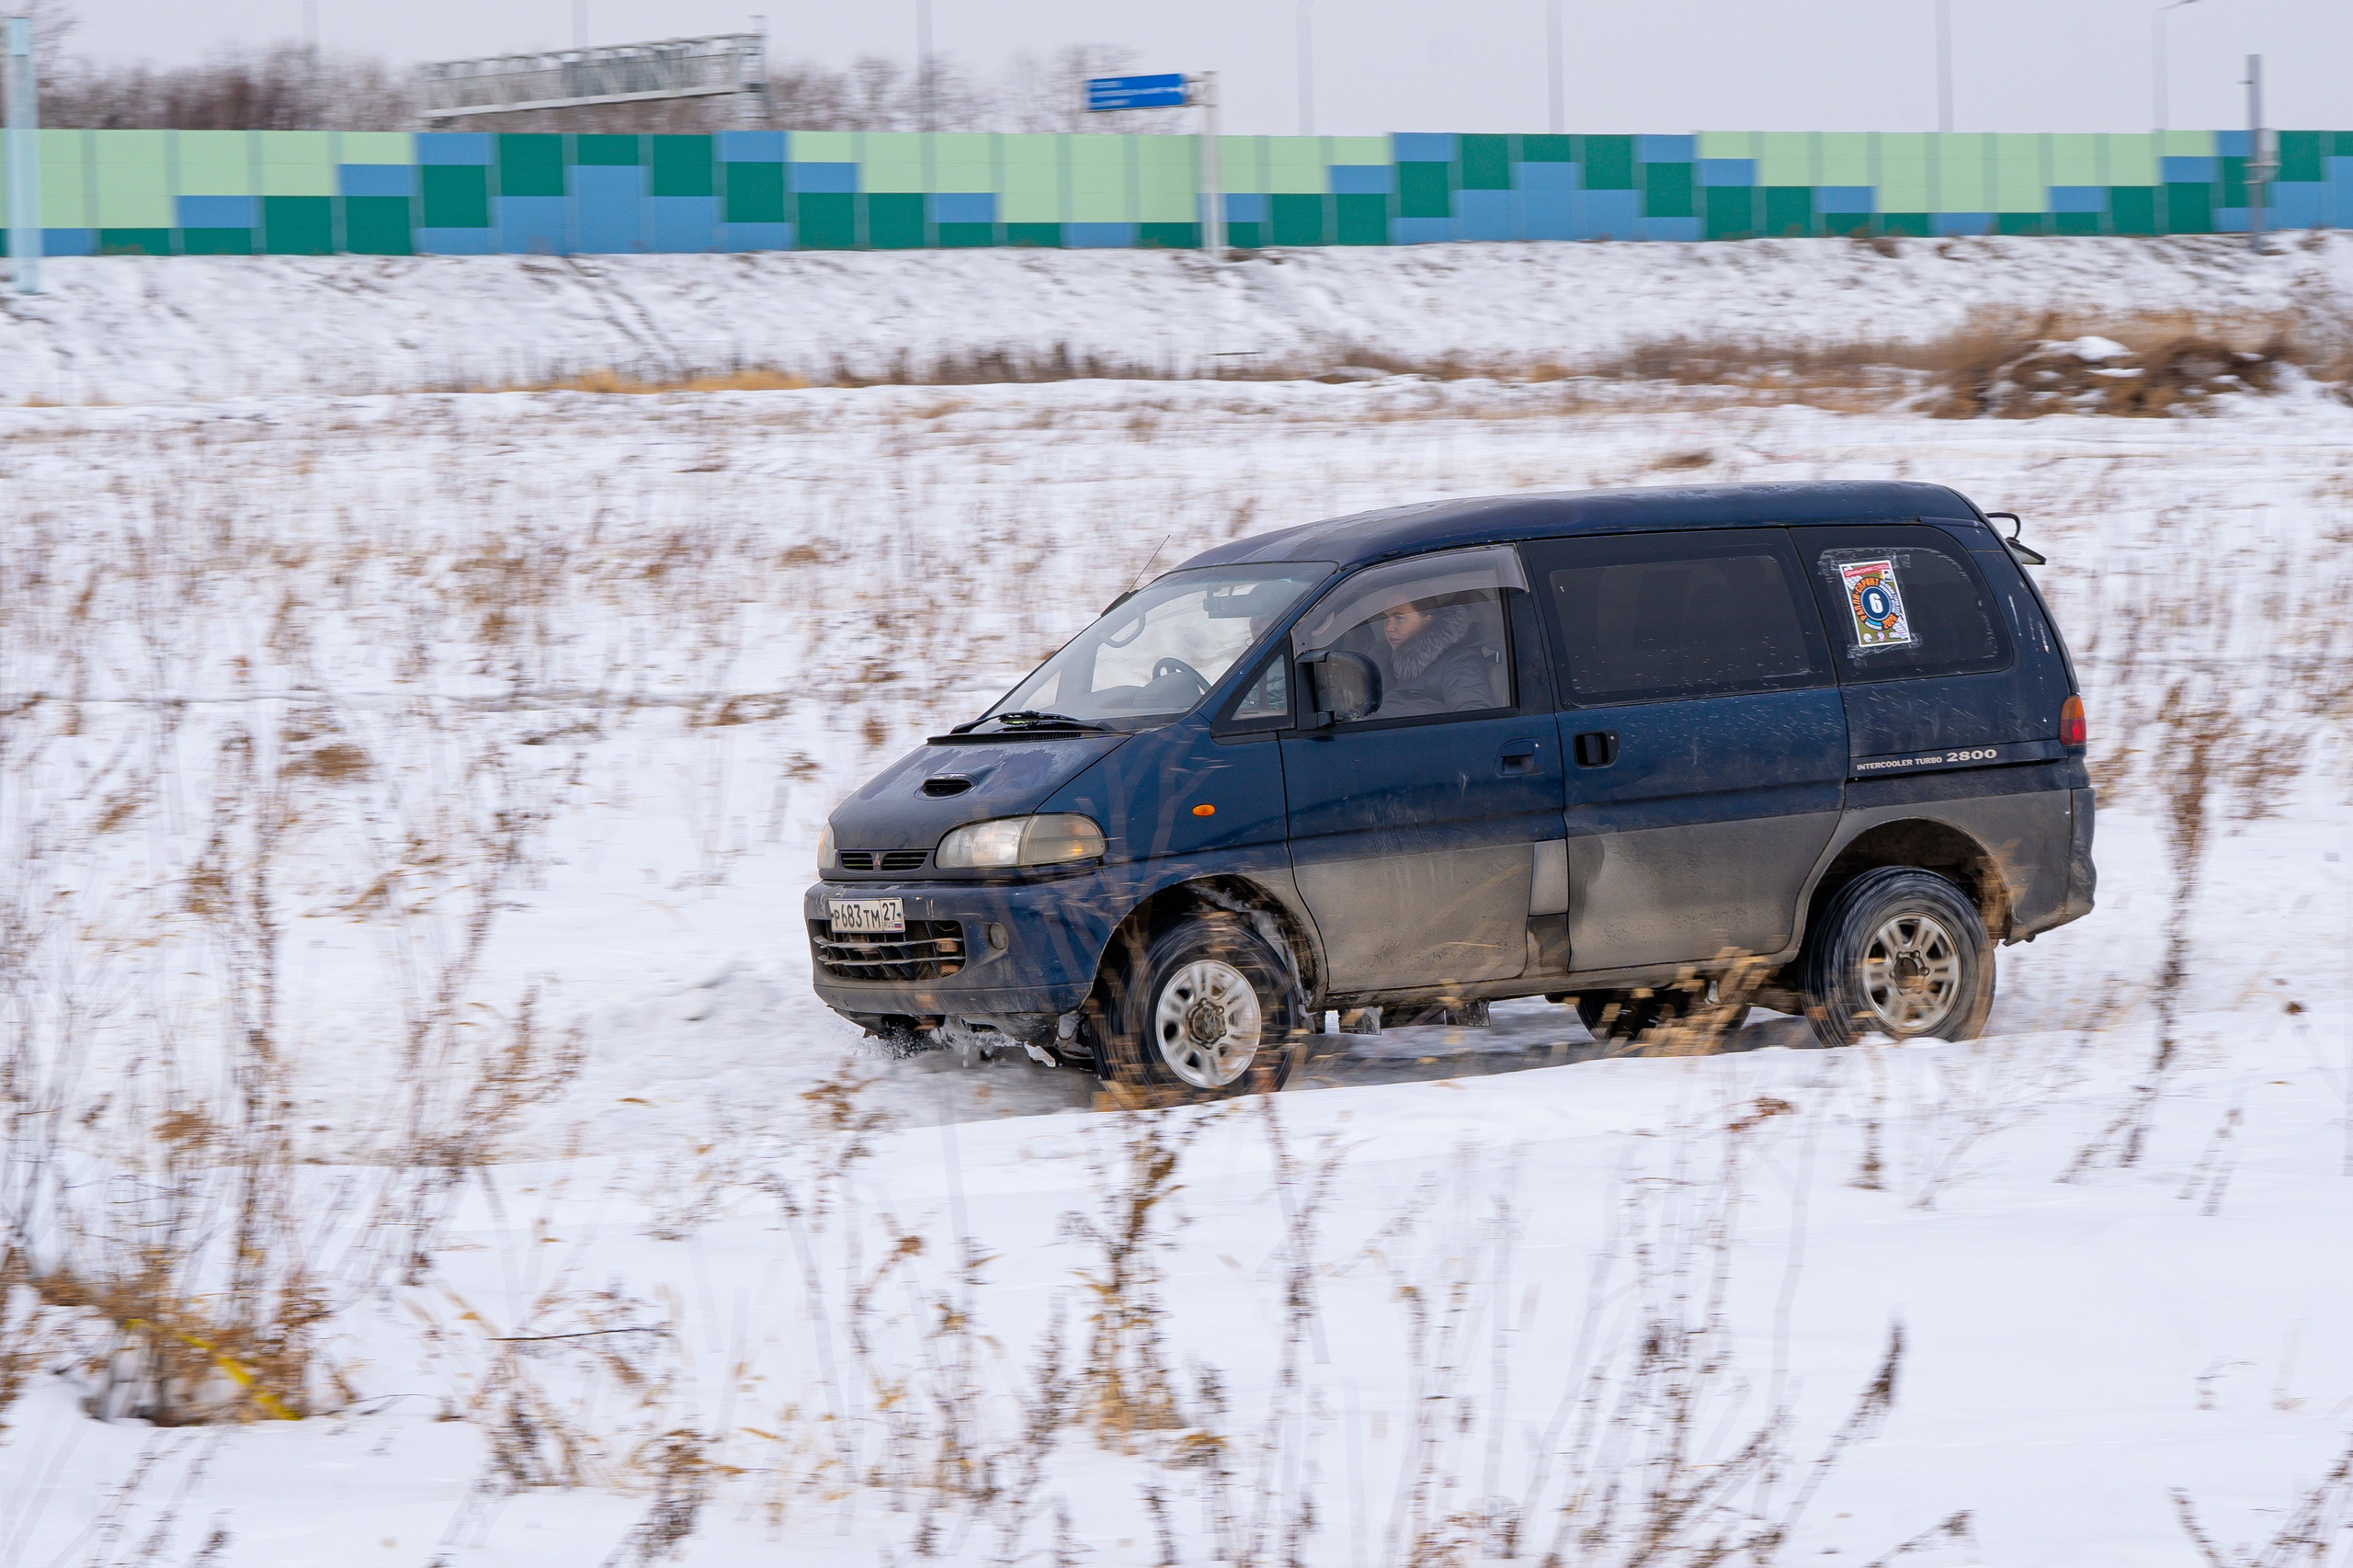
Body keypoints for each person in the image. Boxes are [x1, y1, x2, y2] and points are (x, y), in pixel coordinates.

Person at [1371, 596, 1495, 715]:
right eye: (1384, 618)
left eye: (1399, 618)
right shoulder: (1379, 664)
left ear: (1427, 621)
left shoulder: (1459, 660)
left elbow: (1475, 716)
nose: (1388, 628)